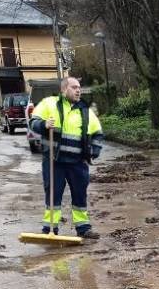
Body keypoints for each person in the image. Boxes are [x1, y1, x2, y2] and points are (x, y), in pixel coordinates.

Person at [29, 76, 104, 239]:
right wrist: (44, 125)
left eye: (79, 87)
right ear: (64, 90)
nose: (78, 90)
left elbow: (98, 132)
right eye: (74, 87)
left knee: (79, 194)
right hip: (54, 161)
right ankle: (50, 228)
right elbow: (33, 122)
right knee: (53, 194)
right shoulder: (49, 104)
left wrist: (95, 150)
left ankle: (83, 228)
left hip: (78, 162)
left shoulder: (85, 110)